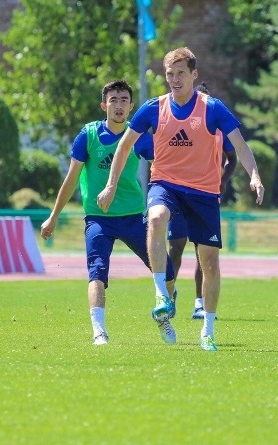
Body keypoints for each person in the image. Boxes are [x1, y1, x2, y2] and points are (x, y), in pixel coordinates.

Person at [97, 47, 264, 351]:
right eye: (170, 74)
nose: (175, 79)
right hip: (166, 184)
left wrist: (254, 176)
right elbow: (123, 147)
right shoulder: (153, 108)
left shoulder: (213, 108)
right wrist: (110, 185)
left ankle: (207, 331)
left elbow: (240, 146)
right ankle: (162, 293)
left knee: (209, 262)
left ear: (194, 75)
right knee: (156, 217)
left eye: (181, 73)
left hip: (204, 193)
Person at [40, 80, 176, 346]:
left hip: (134, 216)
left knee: (168, 271)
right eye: (113, 100)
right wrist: (53, 217)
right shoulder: (89, 135)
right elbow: (71, 179)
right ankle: (99, 331)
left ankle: (164, 315)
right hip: (98, 219)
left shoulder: (138, 136)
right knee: (97, 273)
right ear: (104, 105)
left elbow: (163, 168)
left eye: (124, 100)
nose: (119, 105)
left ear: (131, 106)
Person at [166, 83, 237, 320]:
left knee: (203, 252)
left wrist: (223, 181)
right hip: (179, 195)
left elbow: (233, 158)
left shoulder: (218, 129)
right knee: (175, 247)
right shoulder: (179, 123)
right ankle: (169, 294)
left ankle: (200, 302)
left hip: (206, 195)